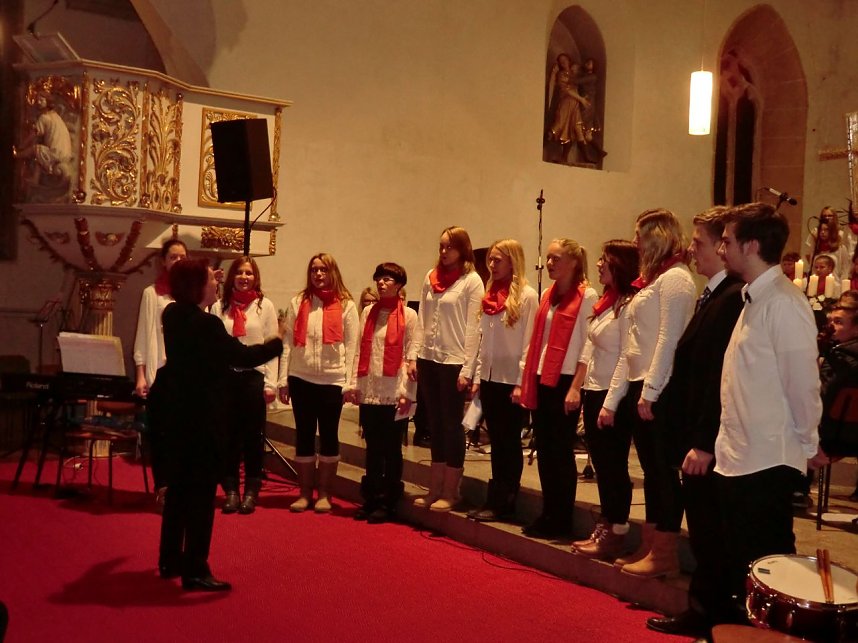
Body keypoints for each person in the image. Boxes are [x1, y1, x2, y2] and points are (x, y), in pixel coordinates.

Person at [715, 202, 827, 621]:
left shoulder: (783, 302)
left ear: (752, 245)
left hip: (767, 458)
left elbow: (802, 383)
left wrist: (809, 442)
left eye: (727, 240)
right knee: (739, 561)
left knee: (769, 565)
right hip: (740, 454)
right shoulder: (753, 298)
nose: (722, 248)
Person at [148, 258, 284, 591]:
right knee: (200, 496)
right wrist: (278, 340)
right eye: (211, 279)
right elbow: (243, 357)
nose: (217, 283)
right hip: (202, 418)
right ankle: (195, 569)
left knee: (178, 491)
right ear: (197, 287)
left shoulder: (173, 314)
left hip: (178, 415)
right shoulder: (206, 324)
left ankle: (170, 559)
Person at [645, 207, 744, 638]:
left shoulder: (731, 299)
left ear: (724, 248)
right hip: (695, 432)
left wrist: (702, 439)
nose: (691, 249)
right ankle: (703, 609)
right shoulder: (714, 295)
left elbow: (716, 377)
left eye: (699, 242)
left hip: (710, 439)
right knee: (703, 532)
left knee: (712, 534)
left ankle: (713, 615)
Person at [614, 209, 696, 578]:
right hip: (642, 381)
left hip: (658, 385)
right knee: (651, 470)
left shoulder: (676, 278)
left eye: (639, 235)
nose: (635, 242)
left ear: (657, 236)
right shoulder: (656, 279)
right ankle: (650, 545)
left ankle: (665, 553)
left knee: (662, 472)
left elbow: (668, 338)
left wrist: (651, 390)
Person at [519, 238, 598, 538]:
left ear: (574, 263)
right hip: (543, 376)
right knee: (545, 448)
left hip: (566, 380)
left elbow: (588, 345)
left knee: (561, 451)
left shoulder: (586, 295)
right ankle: (548, 513)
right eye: (548, 258)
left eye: (556, 259)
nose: (549, 263)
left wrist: (576, 387)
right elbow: (538, 339)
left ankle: (562, 518)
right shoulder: (548, 294)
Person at [571, 239, 639, 558]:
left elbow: (626, 355)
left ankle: (616, 530)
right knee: (602, 464)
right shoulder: (607, 302)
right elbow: (592, 348)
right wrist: (582, 388)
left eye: (605, 260)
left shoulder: (629, 305)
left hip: (614, 395)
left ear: (620, 265)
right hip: (596, 390)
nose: (598, 264)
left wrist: (610, 403)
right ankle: (607, 522)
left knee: (613, 466)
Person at [278, 253, 359, 513]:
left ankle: (324, 493)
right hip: (301, 377)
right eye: (314, 270)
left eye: (323, 269)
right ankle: (304, 493)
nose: (318, 274)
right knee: (303, 435)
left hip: (332, 379)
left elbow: (353, 347)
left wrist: (350, 383)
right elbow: (287, 343)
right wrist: (283, 379)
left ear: (332, 272)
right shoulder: (298, 302)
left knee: (328, 435)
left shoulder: (346, 305)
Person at [464, 239, 538, 522]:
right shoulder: (490, 293)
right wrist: (479, 376)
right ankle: (495, 497)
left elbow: (529, 343)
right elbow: (484, 341)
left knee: (509, 442)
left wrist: (521, 382)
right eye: (490, 260)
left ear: (513, 262)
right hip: (491, 377)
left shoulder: (527, 296)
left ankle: (506, 499)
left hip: (511, 379)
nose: (492, 265)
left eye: (498, 260)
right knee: (496, 439)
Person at [413, 226, 484, 512]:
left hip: (454, 360)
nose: (444, 252)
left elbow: (474, 328)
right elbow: (422, 318)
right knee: (434, 423)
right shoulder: (430, 277)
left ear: (463, 249)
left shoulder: (472, 281)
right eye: (441, 246)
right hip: (429, 357)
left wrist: (468, 368)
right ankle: (435, 487)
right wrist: (414, 355)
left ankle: (451, 490)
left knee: (451, 425)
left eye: (449, 247)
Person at [345, 263, 421, 523]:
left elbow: (411, 355)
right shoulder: (368, 312)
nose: (381, 283)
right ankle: (372, 498)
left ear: (399, 285)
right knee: (373, 447)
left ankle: (389, 501)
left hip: (394, 391)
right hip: (371, 388)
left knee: (391, 449)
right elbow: (359, 350)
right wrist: (354, 384)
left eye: (387, 279)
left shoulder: (409, 315)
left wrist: (406, 392)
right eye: (379, 278)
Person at [210, 257, 279, 514]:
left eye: (249, 273)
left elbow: (272, 346)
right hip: (226, 378)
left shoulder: (265, 306)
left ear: (255, 277)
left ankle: (251, 490)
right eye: (239, 272)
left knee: (252, 437)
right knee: (227, 437)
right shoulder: (219, 306)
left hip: (253, 378)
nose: (244, 277)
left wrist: (270, 383)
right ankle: (230, 490)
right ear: (232, 277)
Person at [132, 238, 188, 506]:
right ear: (163, 262)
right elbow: (143, 335)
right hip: (160, 373)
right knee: (162, 436)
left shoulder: (193, 292)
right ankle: (163, 488)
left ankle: (182, 489)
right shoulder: (152, 293)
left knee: (184, 437)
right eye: (173, 257)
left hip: (187, 376)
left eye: (182, 257)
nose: (178, 261)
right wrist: (141, 374)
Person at [13, 91, 73, 185]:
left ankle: (17, 155)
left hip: (55, 153)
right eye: (37, 100)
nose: (38, 102)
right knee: (40, 154)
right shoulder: (55, 115)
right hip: (65, 154)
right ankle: (35, 179)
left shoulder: (44, 117)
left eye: (41, 100)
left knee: (35, 149)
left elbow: (33, 134)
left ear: (47, 102)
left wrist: (22, 145)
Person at [546, 55, 590, 164]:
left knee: (575, 129)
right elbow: (566, 90)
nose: (563, 62)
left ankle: (582, 157)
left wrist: (584, 98)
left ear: (569, 60)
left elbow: (582, 84)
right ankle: (541, 146)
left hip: (575, 104)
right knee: (558, 126)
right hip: (566, 103)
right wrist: (581, 99)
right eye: (561, 61)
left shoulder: (575, 73)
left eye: (565, 60)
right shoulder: (561, 74)